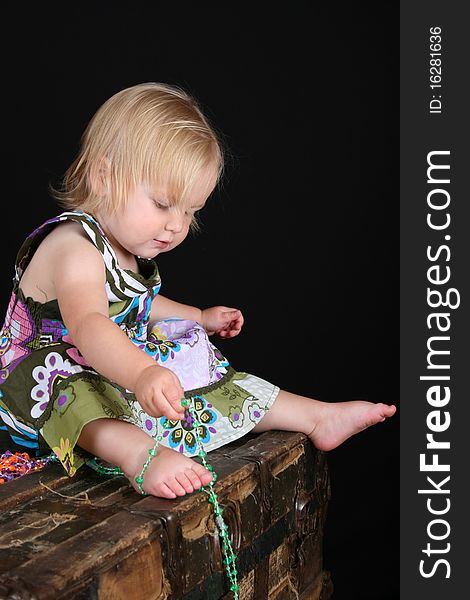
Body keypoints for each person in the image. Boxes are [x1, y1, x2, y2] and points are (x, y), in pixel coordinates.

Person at [0, 82, 396, 498]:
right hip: (39, 381)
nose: (176, 225)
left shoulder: (124, 251)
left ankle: (315, 416)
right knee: (77, 386)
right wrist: (141, 372)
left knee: (192, 357)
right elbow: (91, 325)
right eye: (162, 203)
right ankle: (140, 456)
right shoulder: (75, 246)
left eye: (190, 212)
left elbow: (139, 305)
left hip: (99, 358)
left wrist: (198, 318)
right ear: (103, 177)